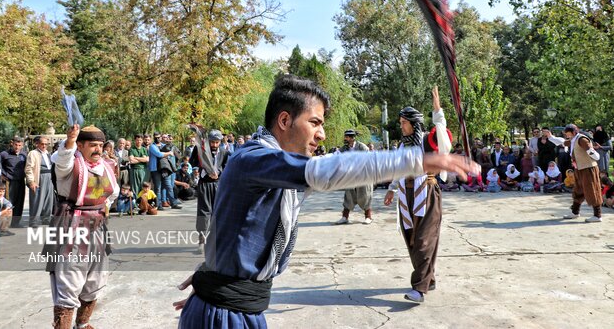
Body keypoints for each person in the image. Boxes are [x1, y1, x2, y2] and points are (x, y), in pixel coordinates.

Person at [174, 75, 477, 326]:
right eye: (315, 122)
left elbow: (233, 224)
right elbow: (328, 171)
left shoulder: (273, 168)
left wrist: (211, 275)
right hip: (224, 315)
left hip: (236, 307)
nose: (321, 134)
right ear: (284, 119)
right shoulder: (253, 159)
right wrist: (417, 160)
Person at [44, 125, 119, 329]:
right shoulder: (69, 165)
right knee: (69, 280)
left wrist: (105, 207)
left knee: (96, 278)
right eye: (93, 145)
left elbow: (112, 193)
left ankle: (83, 323)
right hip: (72, 229)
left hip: (98, 229)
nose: (98, 149)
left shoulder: (106, 166)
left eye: (100, 145)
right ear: (80, 145)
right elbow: (63, 158)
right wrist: (69, 140)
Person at [383, 86, 451, 303]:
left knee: (424, 240)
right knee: (412, 239)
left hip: (428, 193)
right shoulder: (402, 145)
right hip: (406, 194)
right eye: (401, 122)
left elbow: (442, 135)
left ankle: (419, 289)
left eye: (404, 122)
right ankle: (428, 278)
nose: (401, 126)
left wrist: (437, 110)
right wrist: (392, 189)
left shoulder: (428, 141)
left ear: (414, 123)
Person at [190, 129, 229, 249]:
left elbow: (226, 166)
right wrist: (200, 170)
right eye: (212, 142)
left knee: (217, 211)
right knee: (204, 211)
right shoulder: (199, 150)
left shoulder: (224, 151)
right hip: (204, 184)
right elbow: (193, 162)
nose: (215, 145)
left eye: (217, 142)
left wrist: (220, 172)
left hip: (218, 184)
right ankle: (202, 238)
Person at [561, 124, 603, 222]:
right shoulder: (573, 139)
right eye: (566, 134)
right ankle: (575, 212)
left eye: (568, 134)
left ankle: (597, 215)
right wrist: (550, 137)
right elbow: (564, 143)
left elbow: (591, 152)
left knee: (592, 190)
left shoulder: (581, 139)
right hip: (579, 169)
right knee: (578, 190)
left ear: (574, 132)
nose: (567, 136)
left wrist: (595, 155)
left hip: (588, 168)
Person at [335, 129, 375, 224]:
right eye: (345, 137)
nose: (345, 139)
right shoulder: (344, 148)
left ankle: (368, 217)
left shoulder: (362, 147)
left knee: (365, 195)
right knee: (349, 195)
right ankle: (345, 217)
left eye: (347, 137)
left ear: (352, 138)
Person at [25, 136, 55, 227]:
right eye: (42, 144)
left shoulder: (48, 153)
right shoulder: (33, 153)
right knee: (37, 199)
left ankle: (46, 218)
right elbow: (28, 168)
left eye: (46, 144)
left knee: (48, 199)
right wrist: (31, 181)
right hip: (39, 177)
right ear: (37, 144)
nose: (44, 146)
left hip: (49, 177)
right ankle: (34, 221)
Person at [0, 136, 27, 228]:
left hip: (21, 181)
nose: (17, 147)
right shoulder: (4, 154)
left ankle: (16, 223)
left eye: (19, 145)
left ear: (22, 145)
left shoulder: (24, 155)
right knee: (8, 202)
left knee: (19, 202)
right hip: (9, 182)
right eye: (16, 144)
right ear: (12, 144)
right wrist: (2, 175)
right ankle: (5, 224)